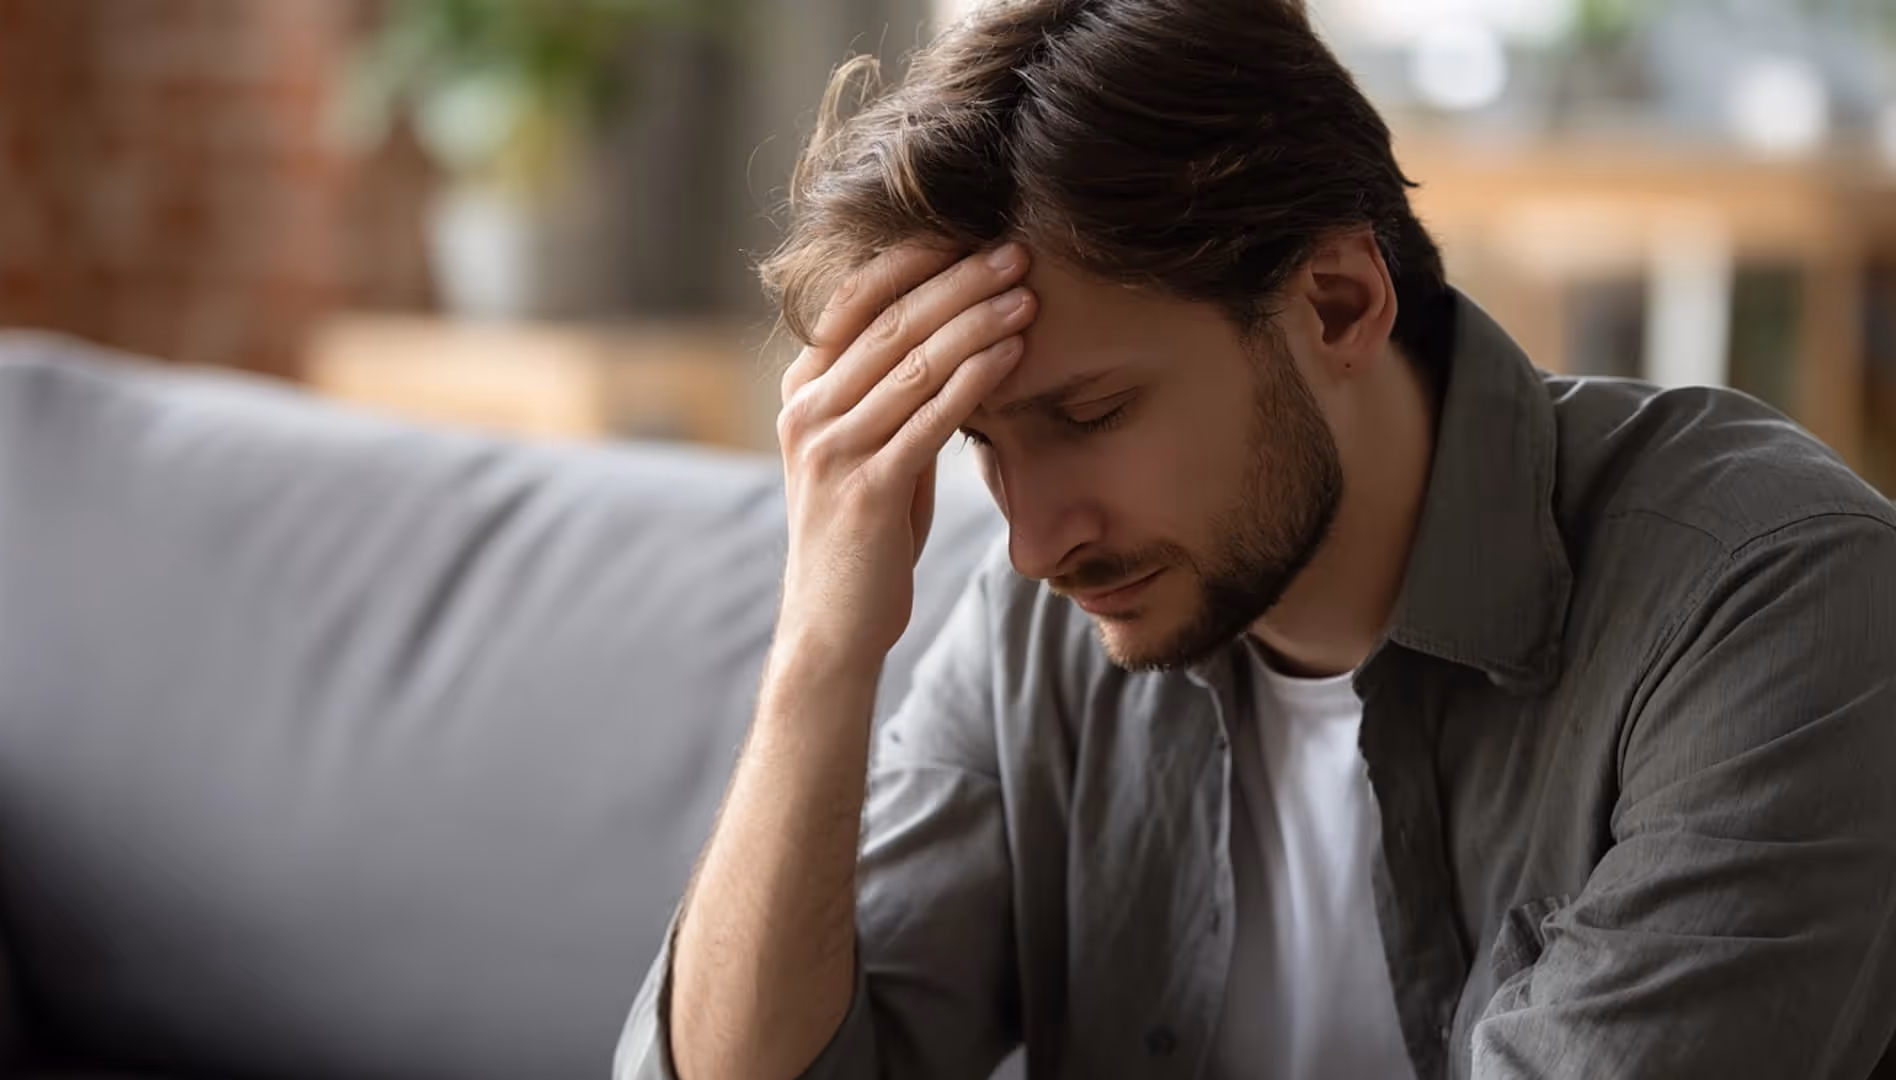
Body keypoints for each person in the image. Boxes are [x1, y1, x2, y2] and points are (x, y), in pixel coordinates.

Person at [615, 1, 1896, 1077]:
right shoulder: (1041, 637)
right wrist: (821, 648)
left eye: (1095, 413)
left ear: (1337, 302)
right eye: (984, 446)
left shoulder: (1771, 602)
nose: (1033, 543)